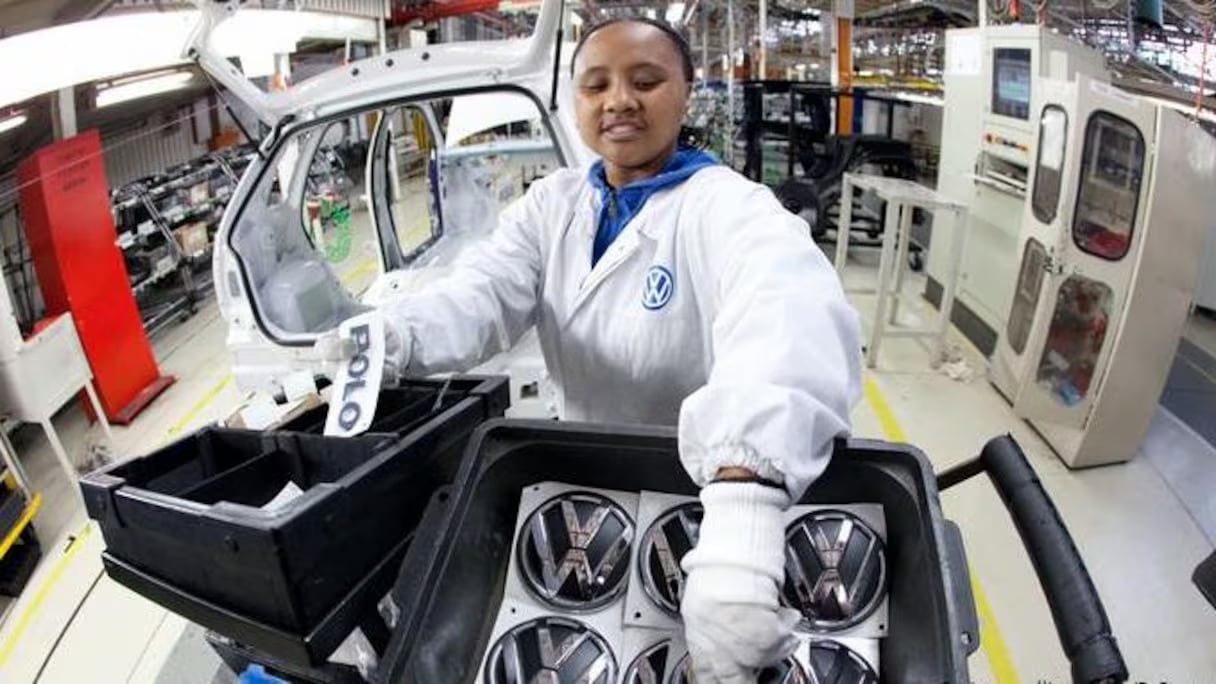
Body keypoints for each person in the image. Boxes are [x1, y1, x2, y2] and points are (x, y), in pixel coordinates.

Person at [322, 17, 861, 682]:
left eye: (646, 81)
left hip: (708, 498)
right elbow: (482, 294)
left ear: (686, 93)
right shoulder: (552, 205)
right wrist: (398, 334)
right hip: (586, 483)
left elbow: (784, 313)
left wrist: (743, 523)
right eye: (596, 85)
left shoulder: (728, 208)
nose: (619, 101)